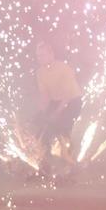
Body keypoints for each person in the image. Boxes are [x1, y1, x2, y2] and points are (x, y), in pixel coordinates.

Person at [34, 41, 83, 178]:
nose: (40, 58)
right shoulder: (40, 73)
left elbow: (67, 96)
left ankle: (70, 166)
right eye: (38, 56)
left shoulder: (64, 69)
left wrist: (56, 114)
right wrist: (41, 112)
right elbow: (45, 96)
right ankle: (45, 167)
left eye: (43, 55)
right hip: (56, 102)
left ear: (51, 54)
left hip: (72, 102)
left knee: (61, 130)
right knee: (41, 134)